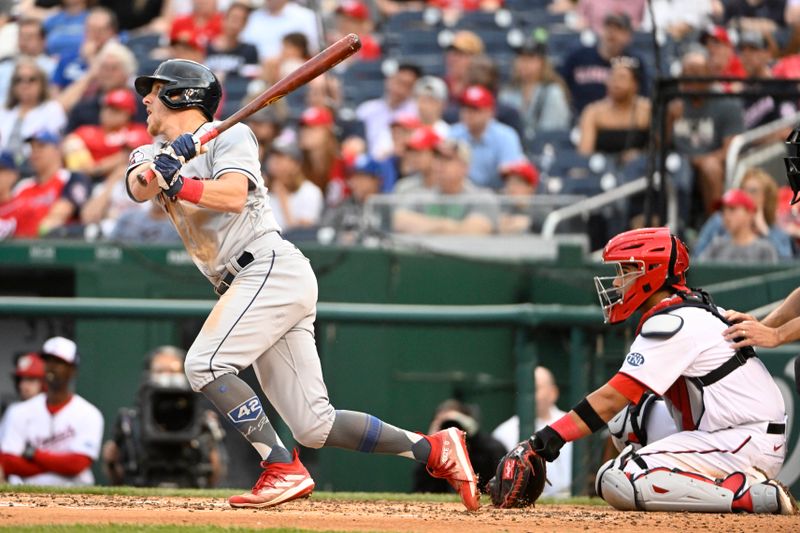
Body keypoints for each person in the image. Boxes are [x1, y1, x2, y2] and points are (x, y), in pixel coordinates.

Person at [124, 58, 480, 510]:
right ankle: (435, 449)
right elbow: (138, 186)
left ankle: (280, 466)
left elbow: (232, 196)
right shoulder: (152, 150)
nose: (146, 99)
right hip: (251, 282)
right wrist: (166, 166)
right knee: (314, 425)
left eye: (155, 90)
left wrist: (182, 184)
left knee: (204, 364)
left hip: (267, 268)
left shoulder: (232, 135)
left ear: (183, 95)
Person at [504, 227, 796, 514]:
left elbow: (611, 398)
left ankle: (746, 496)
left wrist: (543, 442)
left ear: (650, 274)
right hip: (728, 430)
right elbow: (619, 405)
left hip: (743, 439)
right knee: (626, 422)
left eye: (625, 272)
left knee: (618, 479)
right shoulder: (685, 308)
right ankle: (728, 480)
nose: (618, 283)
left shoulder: (674, 322)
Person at [102, 345, 226, 487]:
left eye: (173, 371)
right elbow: (115, 473)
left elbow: (216, 469)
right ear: (148, 374)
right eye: (160, 371)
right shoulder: (129, 422)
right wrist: (110, 461)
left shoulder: (201, 420)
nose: (166, 377)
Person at [0, 336, 104, 486]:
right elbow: (7, 461)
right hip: (26, 496)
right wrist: (57, 466)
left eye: (59, 363)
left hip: (77, 497)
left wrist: (34, 454)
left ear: (72, 370)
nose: (52, 367)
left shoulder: (89, 413)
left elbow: (77, 464)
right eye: (48, 361)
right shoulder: (18, 411)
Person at [492, 366, 572, 498]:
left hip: (572, 497)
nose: (530, 395)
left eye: (536, 388)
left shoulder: (572, 423)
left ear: (553, 393)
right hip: (532, 499)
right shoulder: (504, 431)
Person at [392, 139, 497, 235]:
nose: (439, 165)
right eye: (437, 159)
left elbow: (475, 231)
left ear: (464, 167)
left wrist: (425, 226)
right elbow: (397, 221)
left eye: (447, 159)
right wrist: (449, 226)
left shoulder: (481, 197)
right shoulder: (419, 195)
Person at [0, 131, 91, 239]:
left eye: (41, 146)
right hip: (20, 245)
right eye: (32, 148)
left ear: (58, 150)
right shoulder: (24, 186)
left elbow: (59, 215)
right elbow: (9, 214)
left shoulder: (70, 177)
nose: (35, 152)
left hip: (57, 247)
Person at [694, 168, 793, 259]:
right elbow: (697, 257)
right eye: (743, 190)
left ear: (766, 198)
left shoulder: (775, 229)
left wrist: (765, 231)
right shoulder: (719, 221)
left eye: (753, 191)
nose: (746, 195)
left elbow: (785, 268)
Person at [560, 12, 647, 115]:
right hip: (577, 118)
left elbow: (643, 97)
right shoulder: (578, 56)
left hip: (621, 120)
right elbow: (561, 85)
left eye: (618, 28)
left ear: (628, 36)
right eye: (608, 26)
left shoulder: (634, 63)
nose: (611, 32)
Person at [414, 399, 506, 495]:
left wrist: (475, 435)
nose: (450, 431)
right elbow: (421, 491)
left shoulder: (485, 448)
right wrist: (431, 445)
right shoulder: (434, 458)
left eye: (455, 425)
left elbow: (496, 460)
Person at [448, 85, 525, 191]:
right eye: (465, 108)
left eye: (474, 109)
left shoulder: (506, 136)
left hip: (498, 197)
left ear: (490, 112)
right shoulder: (453, 133)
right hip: (462, 196)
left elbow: (512, 174)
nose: (468, 114)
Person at [499, 37, 572, 148]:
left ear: (542, 63)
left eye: (530, 59)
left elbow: (552, 133)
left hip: (544, 148)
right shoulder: (508, 92)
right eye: (521, 58)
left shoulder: (552, 91)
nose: (524, 64)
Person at [577, 56, 650, 164]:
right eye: (612, 77)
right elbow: (584, 155)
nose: (615, 83)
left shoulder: (647, 110)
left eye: (622, 78)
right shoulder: (593, 112)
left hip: (639, 172)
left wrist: (640, 156)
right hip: (602, 170)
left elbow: (658, 151)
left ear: (635, 84)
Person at [0, 58, 67, 160]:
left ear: (42, 84)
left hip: (35, 164)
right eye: (19, 80)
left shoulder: (52, 110)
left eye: (31, 80)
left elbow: (55, 145)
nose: (24, 85)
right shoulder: (4, 111)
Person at [355, 63, 421, 160]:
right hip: (368, 164)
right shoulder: (367, 109)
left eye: (407, 85)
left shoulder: (416, 112)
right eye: (398, 82)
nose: (400, 89)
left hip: (399, 163)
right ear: (389, 80)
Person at [697, 188, 779, 263]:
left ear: (750, 213)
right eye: (723, 210)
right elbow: (698, 270)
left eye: (732, 209)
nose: (726, 215)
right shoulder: (716, 246)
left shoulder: (764, 249)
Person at [266, 135, 324, 232]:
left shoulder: (309, 191)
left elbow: (302, 235)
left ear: (295, 164)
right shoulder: (261, 188)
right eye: (272, 156)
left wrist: (283, 201)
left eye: (280, 157)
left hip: (292, 245)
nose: (274, 161)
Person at [497, 160, 540, 235]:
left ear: (530, 187)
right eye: (509, 183)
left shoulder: (541, 209)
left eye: (517, 183)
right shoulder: (502, 207)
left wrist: (530, 222)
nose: (511, 188)